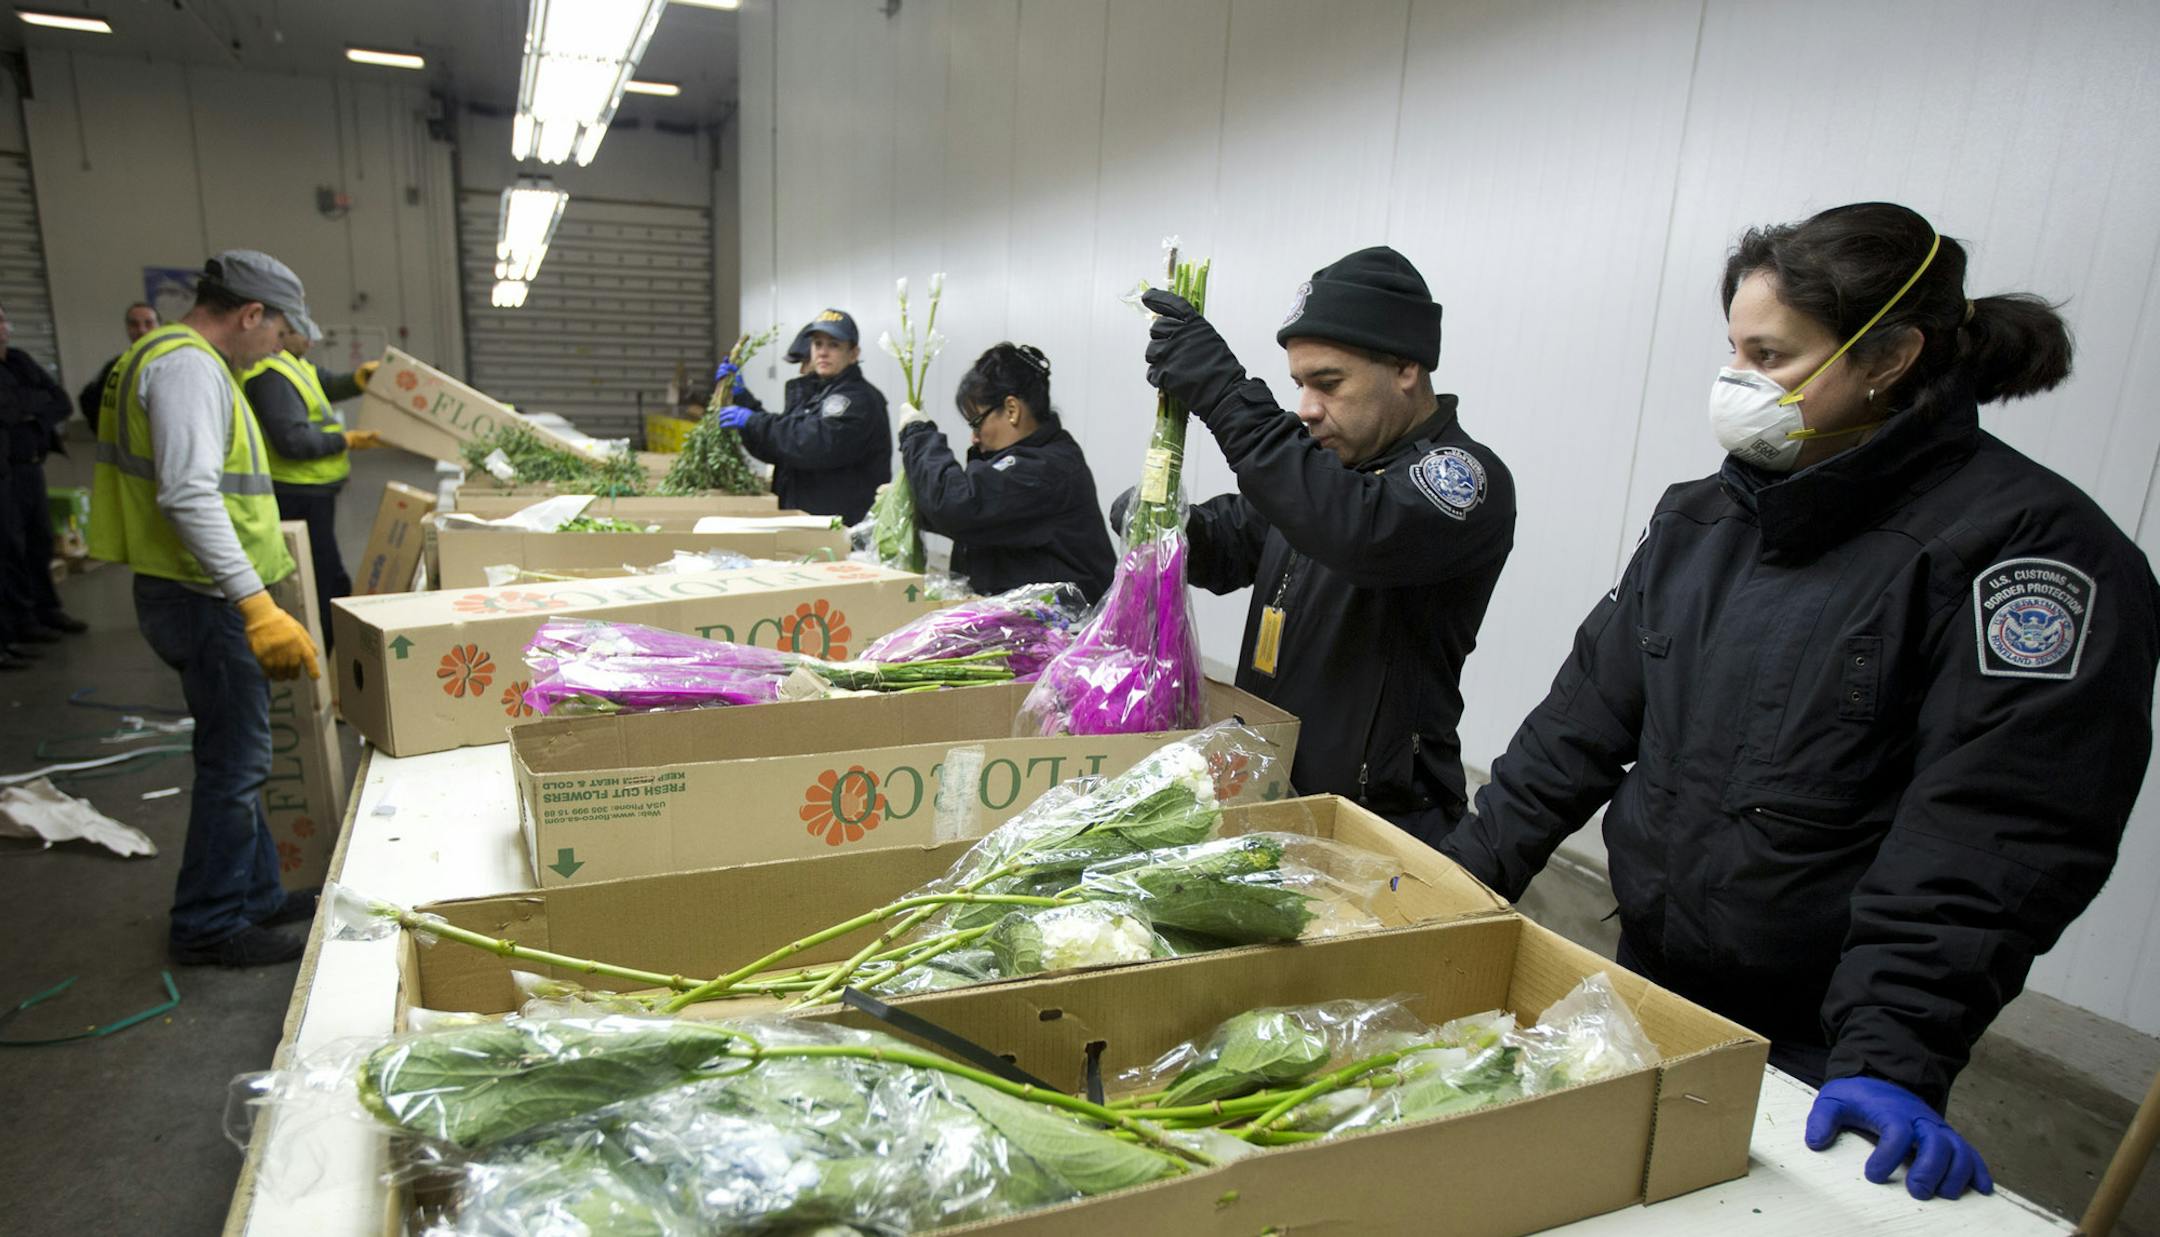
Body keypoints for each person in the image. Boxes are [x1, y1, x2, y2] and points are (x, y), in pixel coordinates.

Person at [1440, 202, 2160, 1202]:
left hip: (1831, 1042)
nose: (1738, 383)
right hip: (1651, 980)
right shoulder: (1705, 519)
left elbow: (1996, 833)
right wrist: (1454, 892)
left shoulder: (2028, 554)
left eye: (1773, 355)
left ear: (1891, 355)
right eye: (1734, 350)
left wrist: (1894, 1051)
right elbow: (1580, 723)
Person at [1133, 246, 1516, 841]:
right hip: (1273, 792)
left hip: (1377, 823)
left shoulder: (1458, 480)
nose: (1307, 408)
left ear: (1406, 367)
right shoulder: (1328, 476)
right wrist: (1162, 523)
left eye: (1328, 383)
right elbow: (1235, 538)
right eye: (1299, 384)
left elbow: (1356, 531)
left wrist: (1224, 393)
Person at [90, 250, 324, 968]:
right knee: (235, 762)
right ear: (250, 314)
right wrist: (255, 604)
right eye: (278, 334)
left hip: (193, 589)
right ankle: (211, 919)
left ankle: (252, 894)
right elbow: (188, 494)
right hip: (204, 595)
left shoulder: (170, 359)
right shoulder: (189, 368)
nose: (274, 353)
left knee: (236, 753)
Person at [893, 343, 1115, 601]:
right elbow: (982, 519)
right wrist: (909, 500)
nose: (974, 438)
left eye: (976, 422)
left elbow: (958, 506)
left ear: (1012, 410)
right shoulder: (1033, 459)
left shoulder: (1045, 469)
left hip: (1064, 630)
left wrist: (917, 435)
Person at [241, 319, 382, 645]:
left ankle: (331, 646)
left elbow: (324, 383)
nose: (313, 341)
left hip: (315, 490)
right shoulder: (271, 378)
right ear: (283, 334)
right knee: (321, 579)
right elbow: (293, 441)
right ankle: (328, 651)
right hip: (297, 492)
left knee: (326, 572)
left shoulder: (294, 366)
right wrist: (345, 440)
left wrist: (356, 381)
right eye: (304, 333)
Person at [717, 309, 890, 523]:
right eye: (818, 344)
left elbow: (810, 444)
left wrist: (753, 421)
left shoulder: (857, 400)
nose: (822, 352)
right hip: (810, 520)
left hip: (842, 527)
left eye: (833, 345)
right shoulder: (818, 396)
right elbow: (781, 447)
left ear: (853, 354)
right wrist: (743, 399)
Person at [0, 301, 86, 648]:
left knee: (39, 539)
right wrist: (30, 406)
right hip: (4, 472)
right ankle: (18, 621)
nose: (2, 325)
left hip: (31, 466)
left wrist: (26, 409)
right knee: (10, 546)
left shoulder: (19, 361)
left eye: (3, 318)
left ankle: (45, 609)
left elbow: (60, 401)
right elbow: (7, 409)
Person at [78, 302, 161, 434]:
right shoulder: (116, 366)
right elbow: (89, 399)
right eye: (134, 324)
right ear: (127, 328)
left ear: (159, 327)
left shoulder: (171, 364)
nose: (141, 330)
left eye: (148, 323)